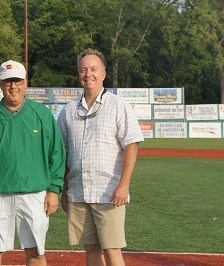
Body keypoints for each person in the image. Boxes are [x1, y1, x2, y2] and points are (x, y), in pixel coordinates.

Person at [57, 48, 144, 266]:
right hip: (79, 192)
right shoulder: (68, 111)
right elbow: (63, 154)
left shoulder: (118, 106)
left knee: (112, 249)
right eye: (84, 70)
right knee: (91, 249)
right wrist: (65, 189)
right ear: (79, 75)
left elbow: (131, 145)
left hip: (109, 192)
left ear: (103, 73)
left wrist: (124, 185)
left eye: (94, 69)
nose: (89, 74)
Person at [0, 60, 66, 266]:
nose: (13, 86)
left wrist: (54, 190)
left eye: (17, 80)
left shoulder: (41, 113)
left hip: (34, 195)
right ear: (0, 84)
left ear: (25, 82)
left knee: (35, 252)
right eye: (8, 81)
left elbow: (56, 152)